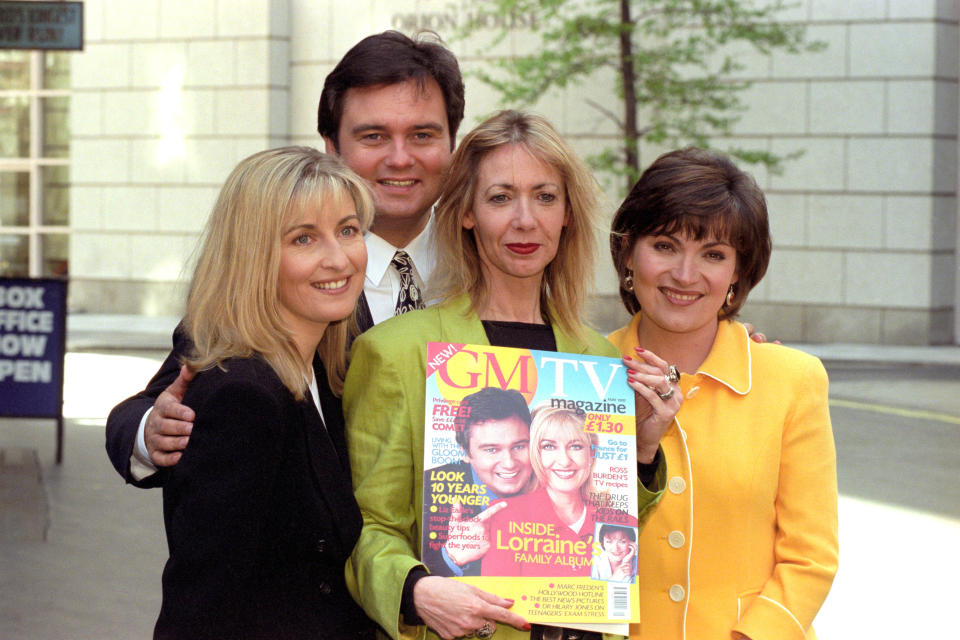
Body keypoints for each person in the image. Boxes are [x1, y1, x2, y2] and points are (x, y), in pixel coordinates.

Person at [343, 110, 678, 640]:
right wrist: (415, 590)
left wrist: (640, 452)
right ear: (467, 214)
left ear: (567, 214)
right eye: (501, 198)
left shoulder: (600, 359)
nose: (526, 220)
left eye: (545, 197)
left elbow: (604, 522)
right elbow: (369, 530)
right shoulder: (395, 353)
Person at [104, 30, 464, 485]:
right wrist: (150, 433)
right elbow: (155, 404)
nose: (399, 158)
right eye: (373, 136)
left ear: (452, 144)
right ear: (333, 148)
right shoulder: (278, 281)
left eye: (422, 135)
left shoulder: (485, 270)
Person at [607, 147, 839, 640]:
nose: (685, 275)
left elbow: (810, 557)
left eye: (713, 254)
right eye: (665, 246)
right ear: (628, 251)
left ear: (737, 272)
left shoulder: (792, 381)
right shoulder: (581, 373)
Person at [151, 147, 375, 638]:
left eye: (348, 229)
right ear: (252, 257)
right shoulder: (244, 396)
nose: (338, 258)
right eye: (304, 238)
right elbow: (202, 604)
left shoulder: (321, 365)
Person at [480, 406, 638, 578]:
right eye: (549, 446)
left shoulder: (624, 522)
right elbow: (498, 597)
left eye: (576, 446)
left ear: (591, 454)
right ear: (536, 454)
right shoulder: (506, 516)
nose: (564, 461)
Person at [423, 386, 535, 578]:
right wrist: (452, 558)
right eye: (491, 450)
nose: (509, 463)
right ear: (465, 452)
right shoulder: (429, 487)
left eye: (519, 446)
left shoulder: (559, 482)